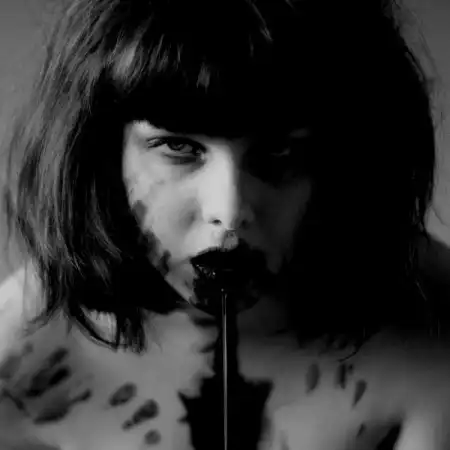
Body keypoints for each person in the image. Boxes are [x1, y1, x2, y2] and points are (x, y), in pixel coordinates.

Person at [0, 0, 443, 448]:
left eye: (279, 152)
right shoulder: (19, 365)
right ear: (101, 153)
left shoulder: (433, 326)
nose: (229, 213)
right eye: (178, 147)